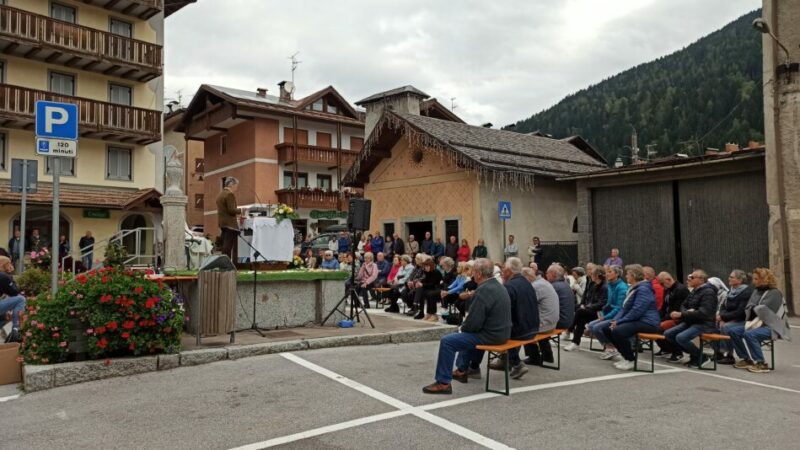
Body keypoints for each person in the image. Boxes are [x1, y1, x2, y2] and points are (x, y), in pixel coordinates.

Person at [423, 258, 511, 394]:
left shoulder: (484, 290)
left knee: (448, 341)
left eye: (474, 271)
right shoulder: (498, 286)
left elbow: (473, 323)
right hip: (502, 333)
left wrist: (462, 329)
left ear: (479, 274)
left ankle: (443, 383)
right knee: (466, 335)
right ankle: (463, 369)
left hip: (491, 335)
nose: (471, 274)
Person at [594, 265, 660, 370]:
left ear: (633, 276)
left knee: (618, 331)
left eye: (628, 274)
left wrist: (620, 322)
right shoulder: (634, 288)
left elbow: (637, 311)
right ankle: (625, 356)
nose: (626, 276)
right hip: (637, 320)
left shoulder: (644, 289)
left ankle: (630, 359)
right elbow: (624, 309)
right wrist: (616, 320)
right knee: (607, 328)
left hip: (648, 323)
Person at [727, 268, 791, 373]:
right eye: (753, 279)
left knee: (750, 334)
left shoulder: (774, 293)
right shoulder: (756, 291)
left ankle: (761, 363)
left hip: (772, 327)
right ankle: (746, 359)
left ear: (764, 279)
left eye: (756, 279)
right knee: (733, 331)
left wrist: (754, 308)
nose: (753, 281)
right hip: (756, 323)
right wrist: (754, 308)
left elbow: (763, 310)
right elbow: (750, 307)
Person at [664, 269, 718, 368]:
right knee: (668, 334)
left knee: (681, 337)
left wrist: (682, 314)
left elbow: (704, 313)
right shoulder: (695, 290)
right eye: (690, 276)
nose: (689, 279)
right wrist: (685, 312)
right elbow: (683, 305)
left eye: (692, 277)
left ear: (701, 279)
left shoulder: (708, 292)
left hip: (704, 323)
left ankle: (701, 356)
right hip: (691, 320)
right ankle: (694, 355)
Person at [499, 257, 539, 379]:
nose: (502, 272)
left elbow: (503, 311)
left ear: (510, 271)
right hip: (533, 327)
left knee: (493, 331)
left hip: (521, 330)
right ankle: (506, 360)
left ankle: (516, 363)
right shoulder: (526, 282)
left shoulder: (509, 286)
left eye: (504, 269)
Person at [523, 263, 560, 365]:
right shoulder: (543, 282)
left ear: (526, 278)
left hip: (546, 324)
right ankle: (547, 356)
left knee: (522, 327)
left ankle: (532, 358)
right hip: (552, 323)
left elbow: (527, 305)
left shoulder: (535, 286)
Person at [590, 265, 628, 360]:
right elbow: (609, 303)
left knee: (597, 327)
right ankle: (611, 347)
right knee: (591, 325)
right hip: (611, 314)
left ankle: (612, 348)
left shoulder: (622, 287)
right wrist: (602, 312)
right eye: (607, 272)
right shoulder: (611, 285)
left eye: (610, 272)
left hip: (618, 316)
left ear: (617, 274)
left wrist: (605, 317)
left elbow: (619, 308)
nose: (607, 274)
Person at [565, 265, 607, 351]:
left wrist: (587, 306)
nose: (590, 274)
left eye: (592, 273)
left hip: (600, 312)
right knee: (581, 319)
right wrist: (583, 304)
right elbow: (586, 296)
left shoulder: (604, 287)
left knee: (580, 312)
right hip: (591, 310)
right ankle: (575, 343)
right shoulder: (593, 283)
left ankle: (570, 329)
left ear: (597, 275)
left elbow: (601, 303)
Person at [716, 269, 753, 364]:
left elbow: (741, 312)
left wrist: (724, 318)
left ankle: (729, 355)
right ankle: (719, 352)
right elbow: (724, 306)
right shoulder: (731, 291)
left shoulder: (746, 292)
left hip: (743, 320)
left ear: (740, 280)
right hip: (731, 319)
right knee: (712, 325)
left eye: (731, 277)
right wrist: (722, 316)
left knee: (727, 327)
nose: (728, 278)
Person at [656, 271, 690, 361]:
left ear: (668, 279)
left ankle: (677, 352)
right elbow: (664, 306)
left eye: (662, 283)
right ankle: (666, 349)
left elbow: (676, 309)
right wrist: (658, 318)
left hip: (679, 318)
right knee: (652, 325)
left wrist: (662, 320)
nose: (662, 286)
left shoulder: (681, 289)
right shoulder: (667, 289)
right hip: (668, 316)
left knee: (659, 328)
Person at [0, 256, 25, 343]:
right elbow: (14, 292)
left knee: (3, 317)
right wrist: (10, 275)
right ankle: (16, 330)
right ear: (4, 265)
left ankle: (11, 336)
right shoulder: (2, 276)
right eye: (9, 263)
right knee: (21, 299)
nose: (11, 265)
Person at [216, 177, 240, 260]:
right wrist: (241, 210)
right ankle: (227, 264)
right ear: (232, 185)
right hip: (230, 224)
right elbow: (231, 210)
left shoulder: (220, 194)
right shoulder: (229, 194)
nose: (237, 188)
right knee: (228, 246)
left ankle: (224, 262)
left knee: (225, 245)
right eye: (236, 186)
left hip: (222, 223)